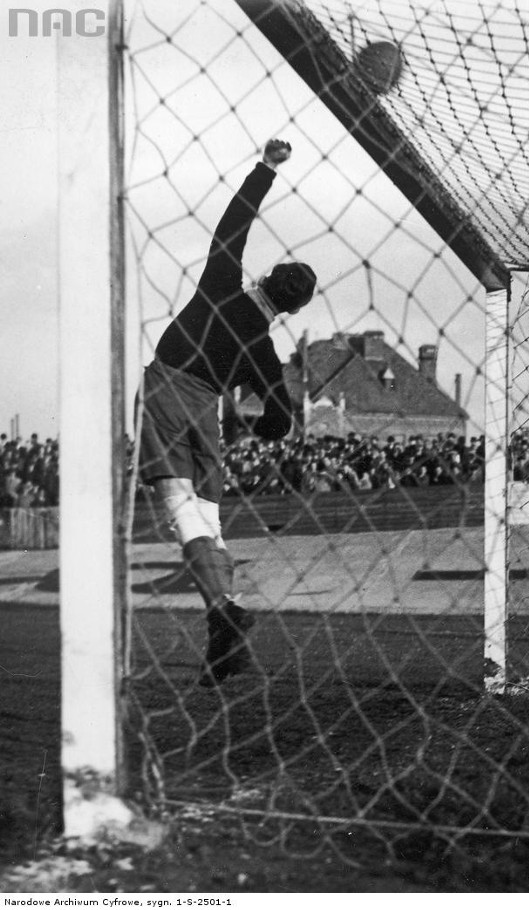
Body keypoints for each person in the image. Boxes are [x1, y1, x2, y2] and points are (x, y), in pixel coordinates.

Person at [138, 139, 317, 687]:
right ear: (291, 310)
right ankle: (223, 638)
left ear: (266, 276)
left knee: (179, 513)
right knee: (209, 524)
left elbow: (232, 224)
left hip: (168, 391)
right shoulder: (265, 351)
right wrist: (260, 426)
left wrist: (266, 167)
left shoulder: (221, 286)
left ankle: (223, 609)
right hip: (208, 415)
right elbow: (281, 418)